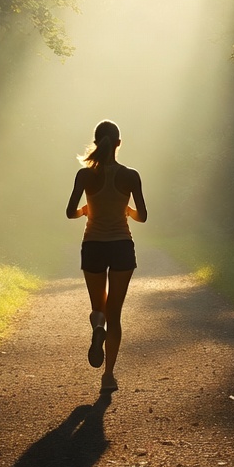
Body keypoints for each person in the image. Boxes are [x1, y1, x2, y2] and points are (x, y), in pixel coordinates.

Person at [65, 120, 147, 392]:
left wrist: (86, 210)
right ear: (119, 144)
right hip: (122, 245)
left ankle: (96, 329)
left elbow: (70, 212)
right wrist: (127, 211)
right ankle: (108, 376)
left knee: (98, 308)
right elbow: (143, 216)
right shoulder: (131, 175)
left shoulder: (84, 175)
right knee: (116, 312)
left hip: (94, 245)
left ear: (96, 142)